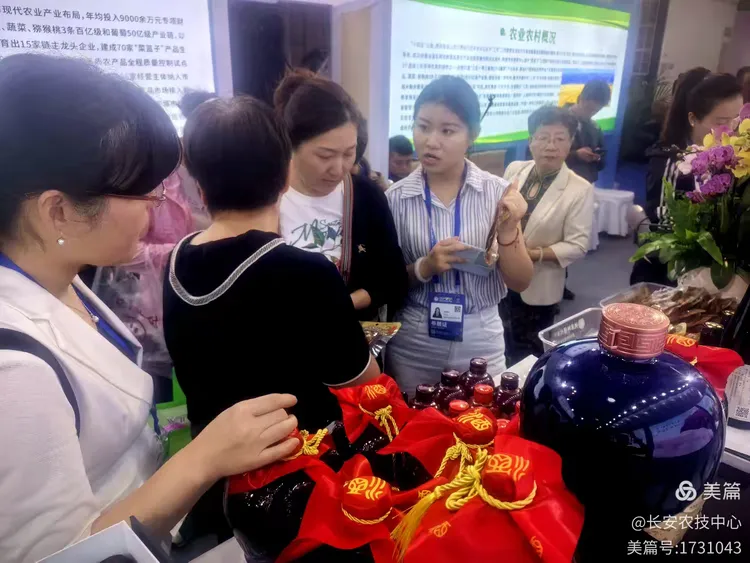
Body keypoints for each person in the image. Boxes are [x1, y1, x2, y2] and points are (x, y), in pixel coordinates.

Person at [0, 54, 300, 563]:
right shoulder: (14, 370)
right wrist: (206, 457)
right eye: (143, 191)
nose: (157, 204)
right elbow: (57, 555)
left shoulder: (63, 278)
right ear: (59, 210)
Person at [385, 76, 533, 390]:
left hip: (480, 333)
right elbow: (386, 283)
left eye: (447, 130)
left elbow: (520, 281)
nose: (430, 141)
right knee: (413, 416)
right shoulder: (394, 199)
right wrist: (424, 267)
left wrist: (508, 229)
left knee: (483, 415)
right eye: (423, 126)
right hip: (416, 335)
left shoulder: (498, 194)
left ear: (472, 135)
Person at [93, 91, 213, 402]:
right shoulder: (154, 176)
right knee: (155, 396)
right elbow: (123, 248)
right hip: (147, 308)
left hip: (194, 297)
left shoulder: (213, 173)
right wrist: (183, 252)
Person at [276, 70, 408, 321]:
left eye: (349, 153)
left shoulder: (366, 196)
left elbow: (394, 278)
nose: (338, 169)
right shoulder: (266, 195)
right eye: (325, 156)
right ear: (290, 144)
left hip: (351, 337)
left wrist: (341, 303)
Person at [631, 71, 743, 285]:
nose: (731, 130)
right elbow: (664, 234)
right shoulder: (673, 162)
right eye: (721, 122)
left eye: (736, 120)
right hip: (670, 277)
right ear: (693, 118)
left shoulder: (734, 158)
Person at [502, 106, 594, 363]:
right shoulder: (515, 170)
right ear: (530, 141)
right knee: (497, 346)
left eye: (560, 138)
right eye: (543, 137)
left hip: (538, 287)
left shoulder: (579, 189)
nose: (551, 146)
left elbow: (578, 245)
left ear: (570, 143)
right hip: (499, 279)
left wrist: (529, 254)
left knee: (526, 357)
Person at [566, 79, 611, 184]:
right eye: (589, 109)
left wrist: (597, 157)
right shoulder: (557, 123)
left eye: (596, 110)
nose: (591, 113)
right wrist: (576, 155)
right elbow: (545, 157)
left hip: (586, 183)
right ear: (581, 99)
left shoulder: (595, 127)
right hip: (562, 183)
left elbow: (602, 162)